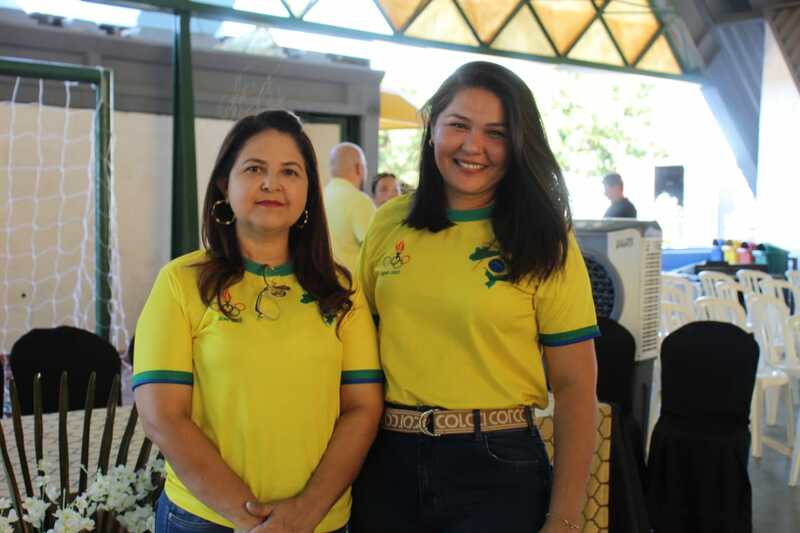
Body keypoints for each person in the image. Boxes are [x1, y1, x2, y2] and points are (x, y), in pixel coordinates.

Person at [350, 61, 600, 533]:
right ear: (432, 128)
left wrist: (566, 518)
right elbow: (355, 353)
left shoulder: (545, 237)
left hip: (498, 467)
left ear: (518, 143)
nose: (473, 146)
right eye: (459, 125)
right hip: (386, 462)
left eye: (496, 133)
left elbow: (575, 386)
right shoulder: (389, 222)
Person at [133, 110, 384, 533]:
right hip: (205, 520)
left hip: (319, 522)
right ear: (223, 184)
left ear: (309, 191)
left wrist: (305, 512)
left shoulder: (342, 290)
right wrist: (252, 519)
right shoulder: (181, 282)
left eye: (290, 171)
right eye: (254, 169)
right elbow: (163, 417)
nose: (272, 184)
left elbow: (362, 408)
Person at [323, 143, 376, 272]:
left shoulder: (318, 198)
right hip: (351, 282)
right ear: (359, 168)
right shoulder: (360, 201)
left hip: (320, 280)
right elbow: (376, 249)